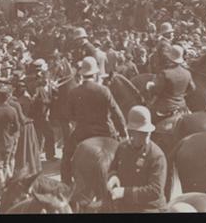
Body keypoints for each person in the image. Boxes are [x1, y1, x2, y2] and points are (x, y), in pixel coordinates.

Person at [61, 56, 127, 185]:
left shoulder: (74, 92)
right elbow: (116, 113)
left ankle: (66, 184)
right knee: (124, 157)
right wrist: (123, 132)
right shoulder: (104, 90)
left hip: (82, 133)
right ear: (96, 74)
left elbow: (68, 114)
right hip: (106, 132)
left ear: (82, 74)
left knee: (66, 156)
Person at [106, 106, 167, 213]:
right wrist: (113, 177)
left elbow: (155, 190)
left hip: (148, 208)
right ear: (131, 133)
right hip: (124, 205)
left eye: (148, 133)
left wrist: (125, 192)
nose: (147, 137)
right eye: (143, 133)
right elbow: (113, 168)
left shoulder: (157, 156)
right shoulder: (122, 148)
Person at [146, 44, 196, 123]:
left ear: (169, 58)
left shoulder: (165, 73)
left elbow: (157, 91)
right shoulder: (187, 73)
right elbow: (192, 88)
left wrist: (150, 87)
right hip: (182, 106)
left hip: (165, 107)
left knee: (147, 114)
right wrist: (181, 95)